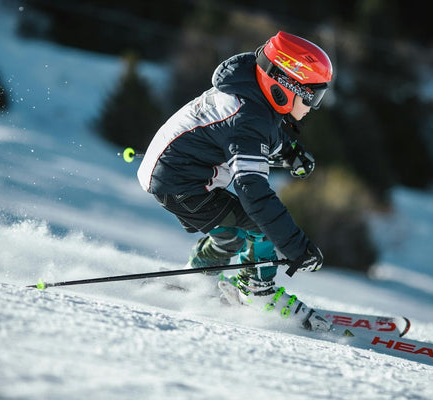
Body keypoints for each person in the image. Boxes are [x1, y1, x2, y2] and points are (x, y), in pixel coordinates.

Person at [137, 31, 333, 331]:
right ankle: (256, 290)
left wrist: (290, 152)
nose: (312, 107)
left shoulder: (250, 92)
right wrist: (296, 247)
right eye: (312, 96)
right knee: (260, 227)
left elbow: (263, 131)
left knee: (232, 234)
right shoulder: (246, 119)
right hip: (182, 185)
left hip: (176, 175)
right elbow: (253, 192)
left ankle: (198, 278)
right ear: (285, 86)